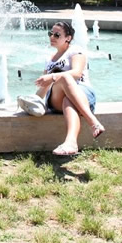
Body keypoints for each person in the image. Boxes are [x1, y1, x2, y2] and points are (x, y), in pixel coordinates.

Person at [35, 21, 105, 156]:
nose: (52, 37)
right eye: (50, 34)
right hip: (55, 99)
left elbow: (77, 73)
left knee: (68, 97)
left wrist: (53, 76)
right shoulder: (49, 60)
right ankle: (93, 122)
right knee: (65, 79)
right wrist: (34, 101)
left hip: (83, 92)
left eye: (57, 35)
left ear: (68, 38)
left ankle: (71, 142)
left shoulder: (75, 51)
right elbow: (43, 88)